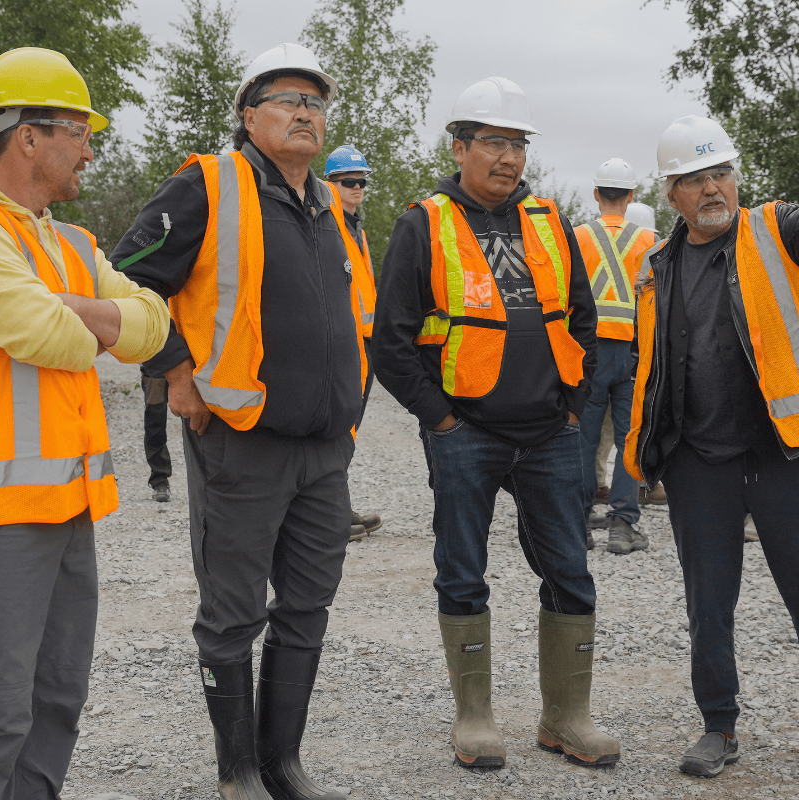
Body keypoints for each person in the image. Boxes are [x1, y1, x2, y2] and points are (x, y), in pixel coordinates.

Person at [112, 43, 365, 800]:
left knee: (308, 605)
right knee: (231, 615)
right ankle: (238, 774)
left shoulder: (327, 202)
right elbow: (128, 276)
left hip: (324, 450)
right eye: (287, 98)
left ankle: (283, 764)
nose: (304, 113)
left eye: (315, 102)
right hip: (240, 443)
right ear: (248, 114)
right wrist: (176, 373)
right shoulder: (208, 184)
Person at [373, 77, 619, 769]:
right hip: (466, 434)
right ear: (460, 147)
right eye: (493, 142)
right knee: (462, 573)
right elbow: (389, 340)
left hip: (551, 433)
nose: (508, 158)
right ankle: (474, 718)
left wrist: (573, 408)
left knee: (571, 570)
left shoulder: (549, 221)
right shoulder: (424, 223)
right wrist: (440, 421)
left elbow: (583, 319)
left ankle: (566, 717)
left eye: (517, 144)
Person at [0, 47, 169, 799]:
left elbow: (154, 326)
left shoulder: (68, 241)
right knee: (3, 711)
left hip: (69, 507)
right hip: (7, 517)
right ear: (27, 136)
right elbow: (46, 335)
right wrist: (101, 322)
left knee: (57, 699)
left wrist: (81, 312)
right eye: (78, 129)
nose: (91, 148)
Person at [625, 114, 799, 778]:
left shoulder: (777, 229)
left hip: (784, 454)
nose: (713, 189)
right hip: (698, 460)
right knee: (709, 603)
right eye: (695, 180)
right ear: (672, 193)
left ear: (737, 177)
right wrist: (645, 454)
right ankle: (718, 727)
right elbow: (654, 367)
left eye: (721, 173)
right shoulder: (658, 264)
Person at [575, 159, 655, 552]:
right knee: (629, 437)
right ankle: (622, 525)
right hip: (633, 352)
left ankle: (579, 523)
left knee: (584, 436)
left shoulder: (576, 237)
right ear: (631, 195)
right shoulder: (649, 241)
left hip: (588, 352)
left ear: (596, 194)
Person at [324, 144, 382, 541]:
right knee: (338, 428)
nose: (358, 187)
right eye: (350, 181)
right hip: (342, 341)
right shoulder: (326, 223)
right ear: (331, 184)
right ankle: (329, 515)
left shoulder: (353, 226)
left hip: (365, 342)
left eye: (362, 181)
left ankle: (335, 505)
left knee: (350, 430)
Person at [623, 202, 668, 508]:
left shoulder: (595, 239)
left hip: (604, 343)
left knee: (601, 430)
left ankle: (599, 485)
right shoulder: (655, 251)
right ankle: (644, 486)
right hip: (638, 343)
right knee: (639, 419)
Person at [139, 364, 172, 501]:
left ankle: (206, 482)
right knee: (155, 422)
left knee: (198, 421)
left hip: (192, 361)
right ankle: (159, 480)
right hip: (155, 364)